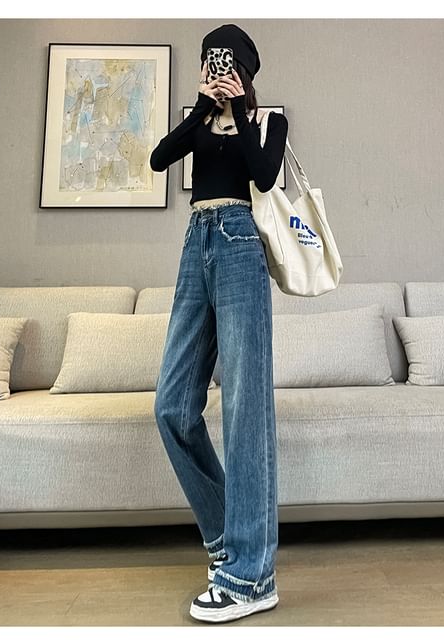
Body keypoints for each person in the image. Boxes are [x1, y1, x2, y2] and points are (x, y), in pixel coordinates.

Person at [149, 24, 288, 624]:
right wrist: (204, 106)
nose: (218, 72)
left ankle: (252, 576)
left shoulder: (269, 122)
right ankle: (228, 539)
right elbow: (160, 158)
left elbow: (263, 175)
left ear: (246, 72)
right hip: (195, 246)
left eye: (227, 65)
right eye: (211, 63)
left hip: (238, 246)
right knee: (173, 407)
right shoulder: (199, 122)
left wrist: (243, 114)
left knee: (244, 407)